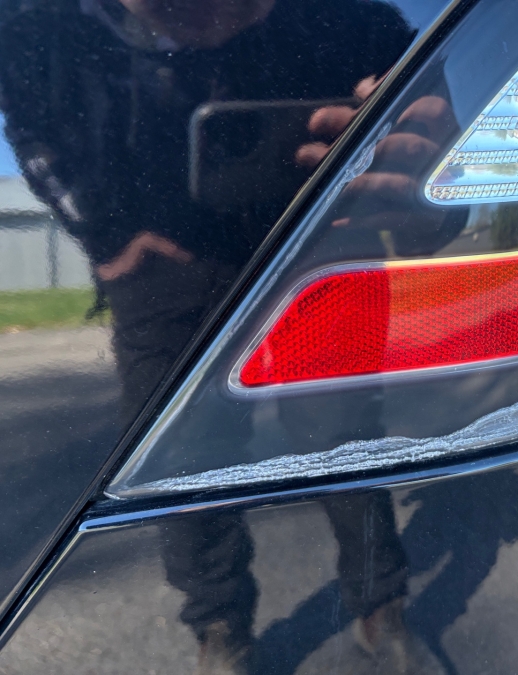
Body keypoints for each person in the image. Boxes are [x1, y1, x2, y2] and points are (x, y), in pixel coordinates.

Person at [0, 0, 455, 672]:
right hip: (164, 275)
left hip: (319, 257)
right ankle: (220, 628)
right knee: (183, 456)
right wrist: (104, 233)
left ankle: (380, 604)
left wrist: (430, 178)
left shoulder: (357, 25)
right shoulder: (44, 29)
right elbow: (30, 123)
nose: (207, 21)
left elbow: (438, 174)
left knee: (345, 440)